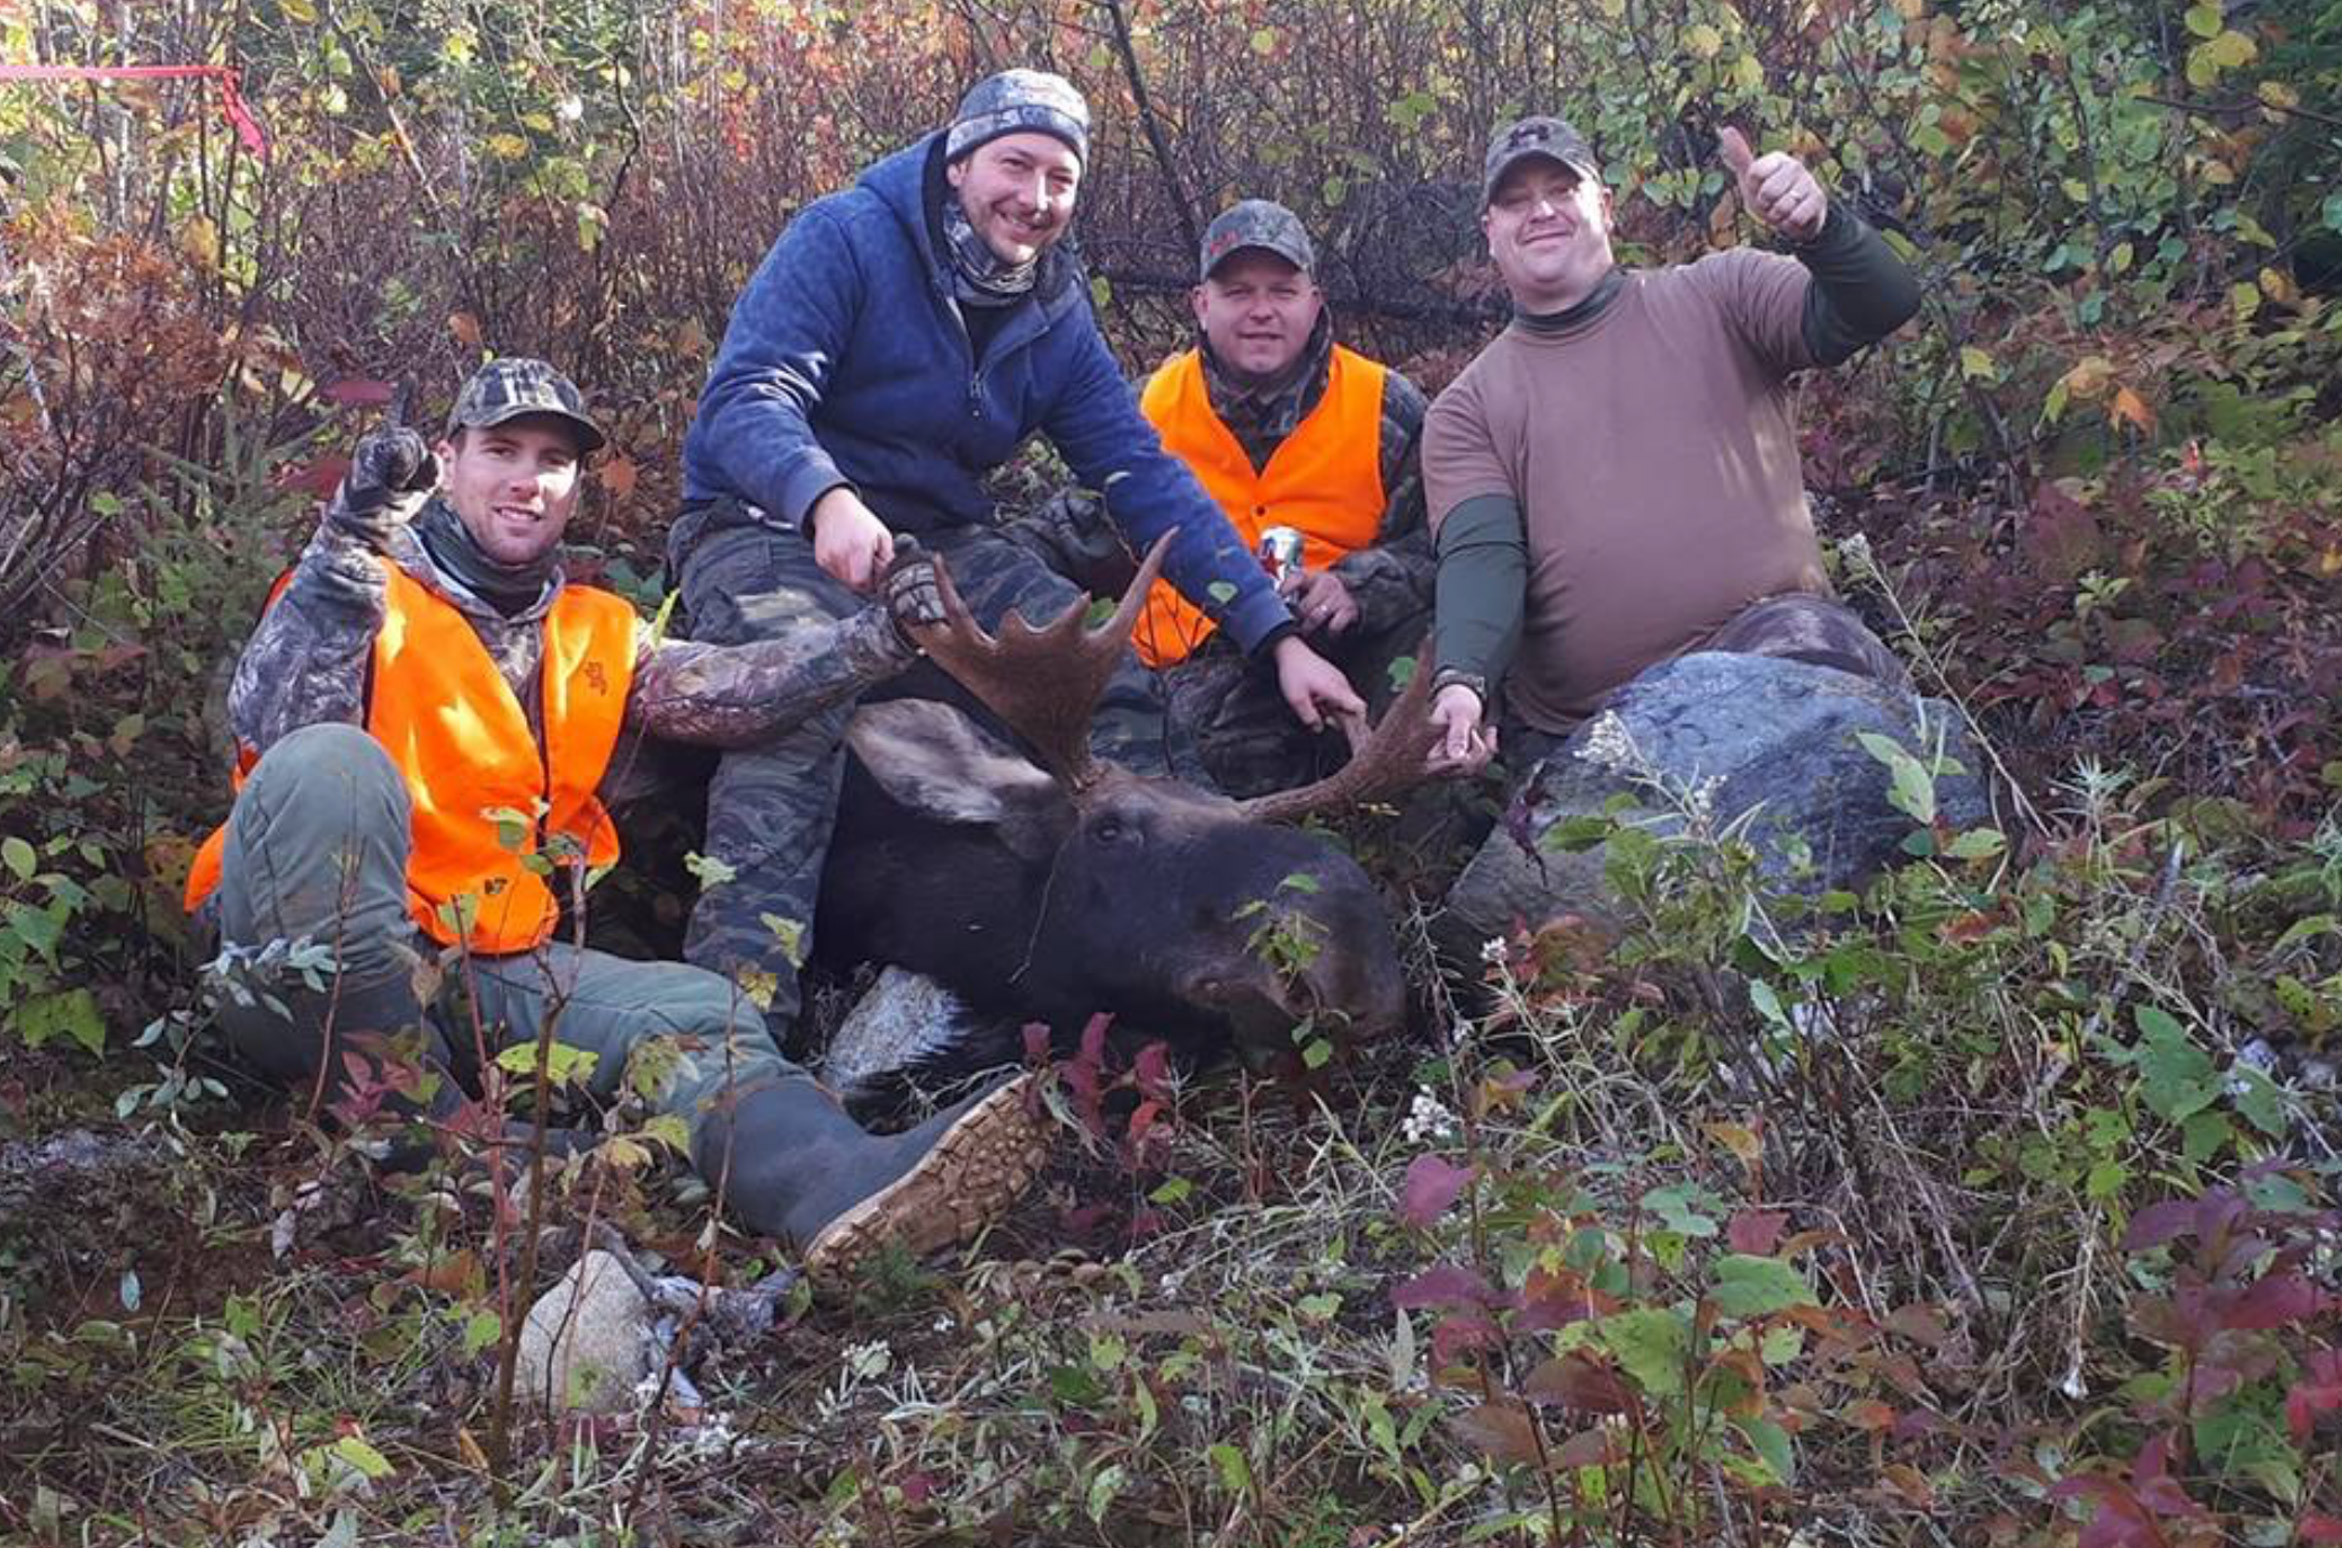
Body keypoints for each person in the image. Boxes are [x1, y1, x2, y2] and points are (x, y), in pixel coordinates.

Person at [183, 358, 1051, 1284]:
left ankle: (833, 1184)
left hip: (484, 965)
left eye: (553, 460)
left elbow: (730, 695)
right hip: (295, 954)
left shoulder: (594, 627)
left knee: (696, 1012)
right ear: (447, 459)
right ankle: (422, 1140)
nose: (529, 477)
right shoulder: (356, 588)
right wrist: (347, 544)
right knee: (331, 764)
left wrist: (873, 640)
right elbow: (274, 729)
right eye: (501, 450)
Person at [667, 69, 1362, 1041]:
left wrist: (1272, 632)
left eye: (1060, 180)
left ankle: (1193, 963)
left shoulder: (1049, 306)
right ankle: (732, 1042)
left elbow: (1141, 477)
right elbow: (747, 395)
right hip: (765, 527)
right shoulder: (845, 238)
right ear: (959, 162)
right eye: (1016, 165)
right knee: (791, 724)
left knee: (1116, 688)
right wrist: (821, 496)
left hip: (937, 544)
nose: (1035, 200)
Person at [1422, 116, 1923, 775]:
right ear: (1490, 234)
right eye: (1514, 201)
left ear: (1605, 208)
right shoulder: (1467, 408)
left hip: (1772, 654)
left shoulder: (1722, 294)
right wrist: (1464, 679)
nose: (1539, 211)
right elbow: (1482, 557)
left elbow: (1881, 305)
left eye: (1561, 190)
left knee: (1818, 693)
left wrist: (1819, 230)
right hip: (1593, 728)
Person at [1018, 199, 1435, 797]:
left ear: (1315, 302)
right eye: (1238, 292)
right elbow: (1060, 536)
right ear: (1201, 304)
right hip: (1185, 677)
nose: (1261, 311)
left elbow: (1439, 547)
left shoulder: (1386, 408)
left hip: (1343, 660)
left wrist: (1360, 584)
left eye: (1282, 291)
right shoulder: (1142, 414)